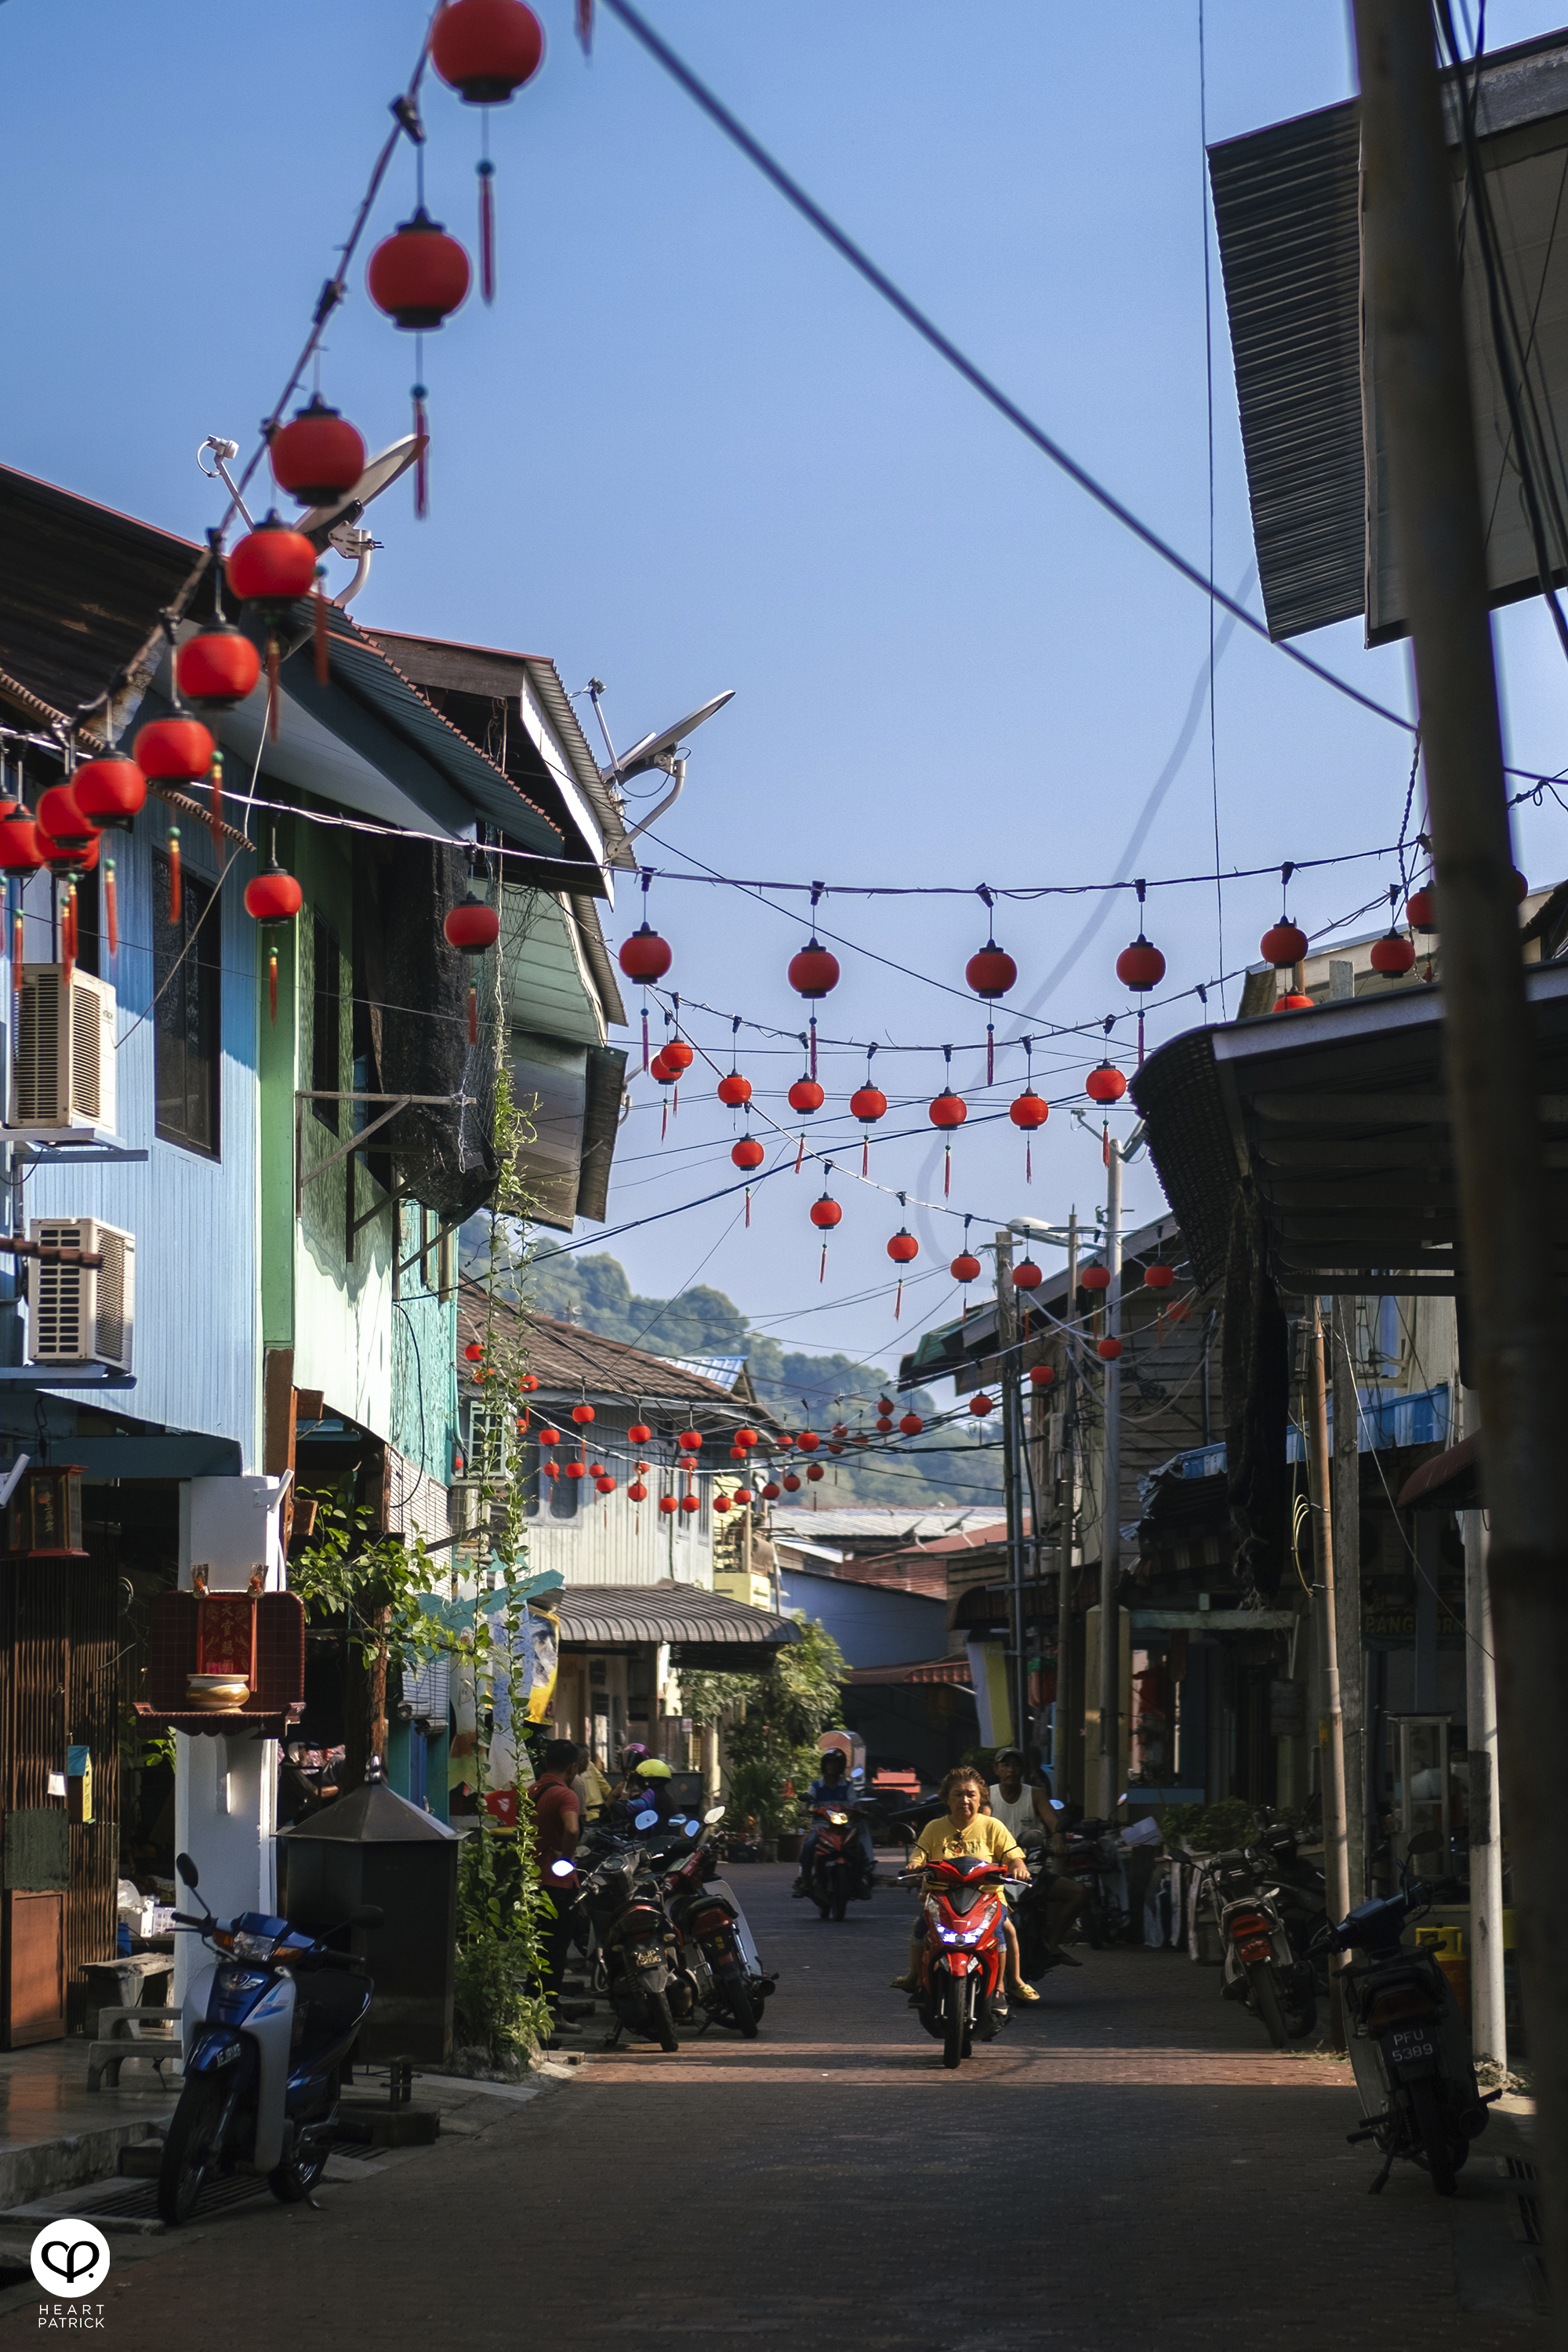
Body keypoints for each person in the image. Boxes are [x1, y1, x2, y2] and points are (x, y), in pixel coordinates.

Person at [892, 1765, 1037, 2002]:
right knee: (920, 1927)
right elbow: (919, 1855)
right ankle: (916, 1977)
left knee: (1003, 1930)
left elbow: (1013, 1854)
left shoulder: (993, 1826)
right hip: (942, 1898)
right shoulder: (934, 1827)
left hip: (986, 1898)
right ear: (947, 1799)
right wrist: (914, 1866)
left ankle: (1006, 1985)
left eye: (971, 1795)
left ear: (981, 1799)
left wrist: (1019, 1866)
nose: (965, 1800)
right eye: (958, 1795)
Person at [526, 1739, 583, 2039]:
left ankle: (533, 2011)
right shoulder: (565, 1795)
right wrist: (567, 1857)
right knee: (556, 1952)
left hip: (532, 1884)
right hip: (558, 1885)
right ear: (572, 1767)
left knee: (538, 1951)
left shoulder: (531, 1791)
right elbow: (572, 1828)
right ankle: (549, 2014)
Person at [793, 1748, 875, 1898]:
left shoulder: (847, 1786)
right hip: (821, 1828)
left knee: (859, 1849)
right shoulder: (816, 1786)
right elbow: (808, 1799)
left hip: (844, 1829)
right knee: (809, 1845)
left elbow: (855, 1803)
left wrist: (861, 1812)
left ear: (841, 1766)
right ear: (824, 1765)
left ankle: (859, 1881)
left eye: (835, 1763)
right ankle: (805, 1880)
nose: (831, 1766)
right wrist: (804, 1809)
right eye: (829, 1763)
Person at [573, 1744, 612, 1825]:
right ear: (582, 1760)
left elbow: (605, 1788)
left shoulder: (589, 1765)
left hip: (598, 1814)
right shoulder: (575, 1773)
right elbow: (606, 1789)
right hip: (587, 1817)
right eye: (588, 1758)